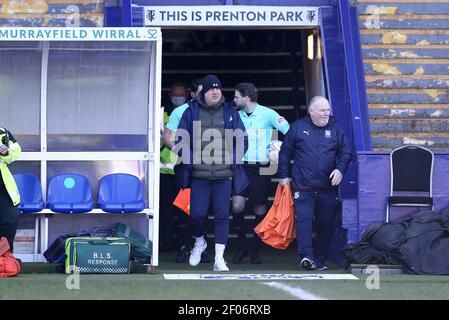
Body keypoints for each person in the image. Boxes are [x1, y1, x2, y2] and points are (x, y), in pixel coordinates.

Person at [175, 75, 248, 272]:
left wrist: (232, 159)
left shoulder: (230, 111)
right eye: (210, 89)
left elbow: (242, 139)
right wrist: (190, 160)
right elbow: (180, 139)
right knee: (196, 215)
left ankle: (219, 258)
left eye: (218, 89)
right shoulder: (191, 111)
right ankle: (200, 242)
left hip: (224, 176)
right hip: (199, 175)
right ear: (203, 92)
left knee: (222, 216)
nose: (215, 92)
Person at [278, 96, 352, 271]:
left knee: (325, 224)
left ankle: (319, 259)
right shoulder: (297, 127)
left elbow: (345, 153)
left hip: (327, 188)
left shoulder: (336, 129)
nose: (326, 113)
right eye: (322, 110)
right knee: (304, 222)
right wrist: (283, 176)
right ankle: (306, 256)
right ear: (311, 111)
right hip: (303, 187)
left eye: (327, 110)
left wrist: (340, 169)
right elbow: (284, 153)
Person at [231, 82, 290, 264]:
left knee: (259, 208)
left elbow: (289, 131)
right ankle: (241, 247)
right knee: (237, 206)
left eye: (236, 97)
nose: (234, 100)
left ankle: (256, 250)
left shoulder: (268, 114)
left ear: (246, 97)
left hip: (261, 167)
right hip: (240, 166)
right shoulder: (234, 115)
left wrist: (278, 148)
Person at [162, 78, 211, 263]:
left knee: (203, 209)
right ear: (192, 94)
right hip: (185, 167)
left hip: (207, 166)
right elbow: (167, 137)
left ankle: (202, 247)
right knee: (184, 207)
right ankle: (184, 246)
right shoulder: (180, 111)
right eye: (200, 91)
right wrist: (179, 150)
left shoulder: (214, 110)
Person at [159, 82, 189, 252]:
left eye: (181, 95)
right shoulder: (161, 114)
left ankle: (185, 243)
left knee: (184, 207)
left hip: (183, 170)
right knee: (166, 208)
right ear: (170, 96)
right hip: (164, 171)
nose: (178, 98)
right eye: (175, 95)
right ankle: (166, 242)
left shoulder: (189, 113)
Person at [0, 127, 21, 252]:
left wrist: (5, 152)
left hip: (3, 185)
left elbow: (15, 153)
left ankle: (5, 258)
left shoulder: (2, 131)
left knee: (10, 218)